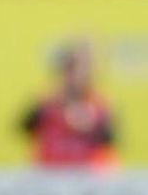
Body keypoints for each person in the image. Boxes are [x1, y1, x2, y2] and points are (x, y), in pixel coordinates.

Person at [21, 40, 117, 170]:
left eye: (80, 69)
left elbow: (110, 139)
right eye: (70, 68)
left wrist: (89, 126)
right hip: (51, 174)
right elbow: (24, 126)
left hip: (89, 175)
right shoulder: (48, 101)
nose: (75, 75)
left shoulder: (99, 104)